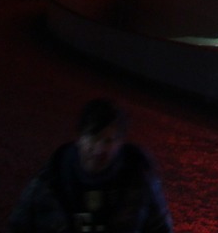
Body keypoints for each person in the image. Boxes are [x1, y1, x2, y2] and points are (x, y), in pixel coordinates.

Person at [9, 98, 173, 232]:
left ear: (121, 143)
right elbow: (19, 225)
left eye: (109, 141)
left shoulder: (138, 178)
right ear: (79, 137)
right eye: (94, 137)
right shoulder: (52, 178)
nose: (100, 149)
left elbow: (160, 228)